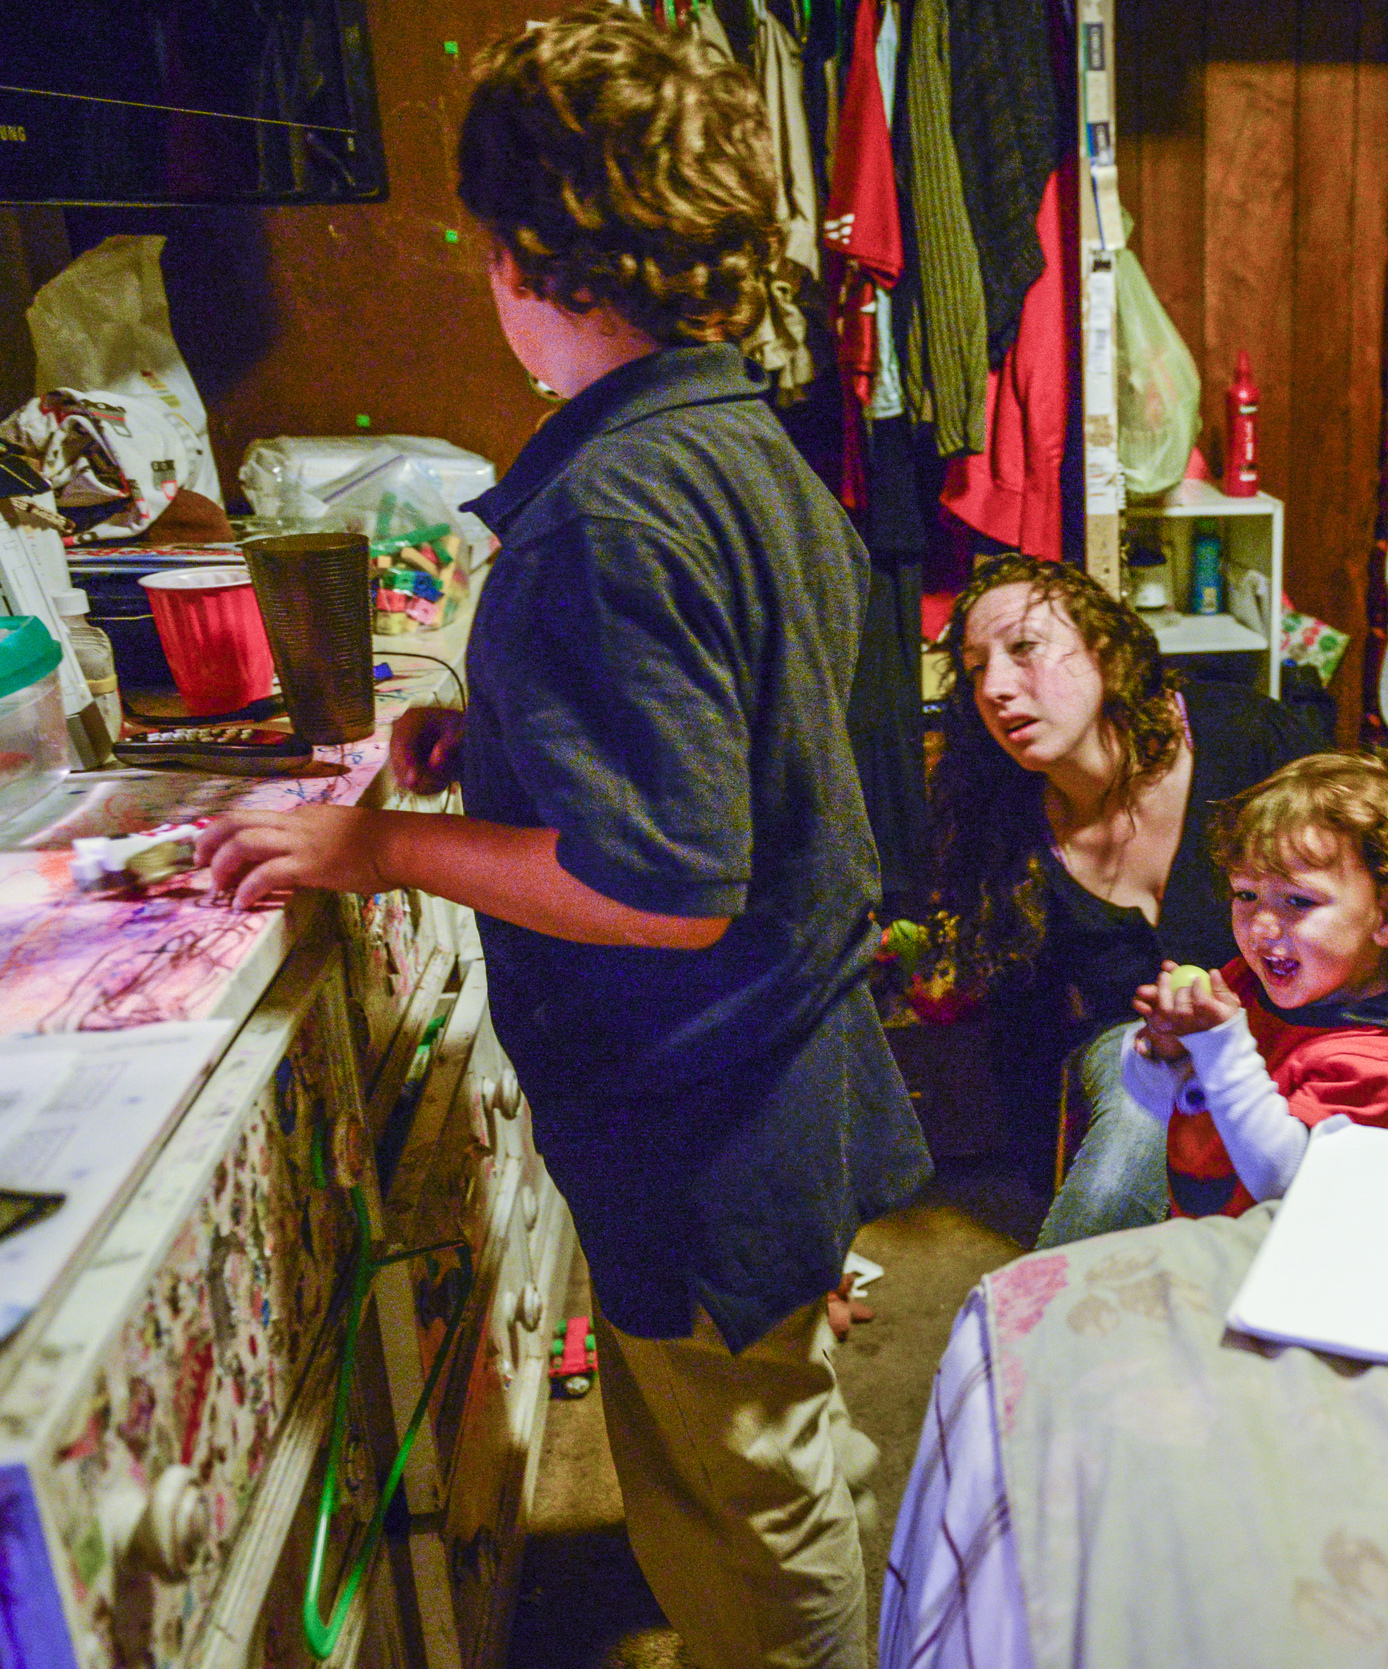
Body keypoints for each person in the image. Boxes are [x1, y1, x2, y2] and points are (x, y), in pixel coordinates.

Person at [199, 13, 928, 1666]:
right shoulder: (743, 443)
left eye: (486, 250)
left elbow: (660, 885)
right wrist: (515, 741)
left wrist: (374, 847)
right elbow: (736, 727)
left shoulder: (612, 508)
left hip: (705, 1105)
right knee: (770, 1429)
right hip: (779, 1070)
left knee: (738, 1483)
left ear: (535, 259)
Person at [931, 555, 1388, 1246]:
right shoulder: (997, 814)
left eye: (1024, 648)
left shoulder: (1241, 731)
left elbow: (1386, 863)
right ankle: (1051, 1336)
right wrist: (1162, 1052)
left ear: (1105, 650)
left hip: (1339, 1000)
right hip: (1155, 1032)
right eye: (975, 667)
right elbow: (1022, 1028)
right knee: (1127, 1143)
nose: (996, 686)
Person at [1125, 749, 1388, 1215]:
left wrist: (1220, 1048)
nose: (1262, 926)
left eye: (1298, 901)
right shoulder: (1247, 984)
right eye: (1245, 894)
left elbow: (1284, 1184)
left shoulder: (1382, 1066)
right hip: (1215, 1246)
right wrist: (1165, 1051)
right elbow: (1162, 1108)